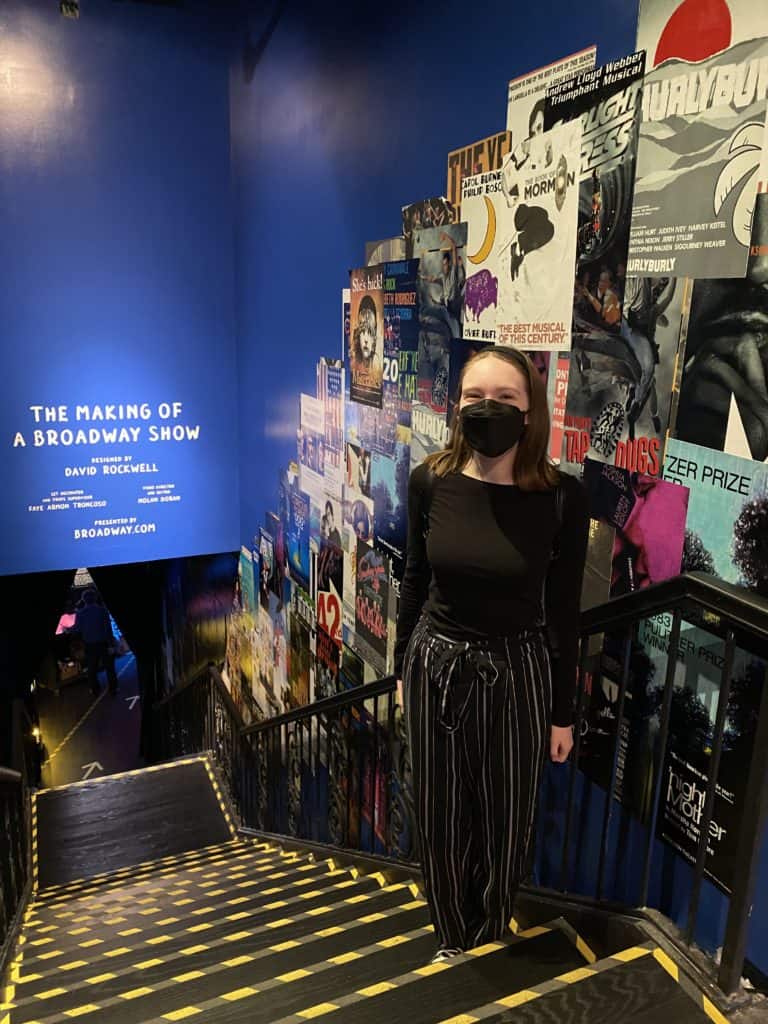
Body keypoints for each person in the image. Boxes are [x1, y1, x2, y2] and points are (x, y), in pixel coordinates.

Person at [394, 345, 589, 963]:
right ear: (458, 406)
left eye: (505, 398)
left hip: (519, 670)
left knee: (507, 816)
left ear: (530, 412)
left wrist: (563, 712)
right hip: (435, 665)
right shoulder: (430, 479)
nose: (488, 409)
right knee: (440, 813)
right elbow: (414, 581)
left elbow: (563, 612)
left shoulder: (561, 497)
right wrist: (403, 666)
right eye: (475, 397)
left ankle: (489, 931)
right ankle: (453, 939)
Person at [75, 590, 119, 696]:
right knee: (109, 668)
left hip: (90, 645)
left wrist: (68, 629)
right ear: (95, 598)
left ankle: (95, 690)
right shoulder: (102, 610)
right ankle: (113, 689)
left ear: (84, 600)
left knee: (92, 669)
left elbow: (77, 629)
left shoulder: (80, 613)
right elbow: (107, 629)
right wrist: (111, 645)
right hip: (104, 643)